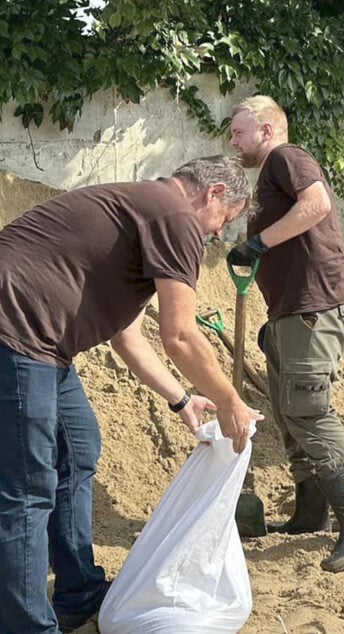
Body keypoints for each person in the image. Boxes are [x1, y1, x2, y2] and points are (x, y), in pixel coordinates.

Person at [0, 156, 260, 634]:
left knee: (78, 450)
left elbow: (128, 338)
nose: (218, 236)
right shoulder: (175, 216)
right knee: (26, 491)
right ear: (214, 193)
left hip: (41, 343)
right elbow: (179, 334)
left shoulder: (145, 214)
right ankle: (28, 626)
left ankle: (79, 593)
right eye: (223, 223)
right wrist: (229, 399)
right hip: (16, 332)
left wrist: (183, 399)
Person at [228, 95, 344, 572]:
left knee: (307, 410)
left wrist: (258, 242)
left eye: (238, 133)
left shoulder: (286, 158)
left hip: (315, 307)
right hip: (293, 312)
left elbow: (317, 203)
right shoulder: (272, 173)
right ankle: (311, 512)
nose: (232, 142)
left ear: (267, 131)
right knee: (289, 410)